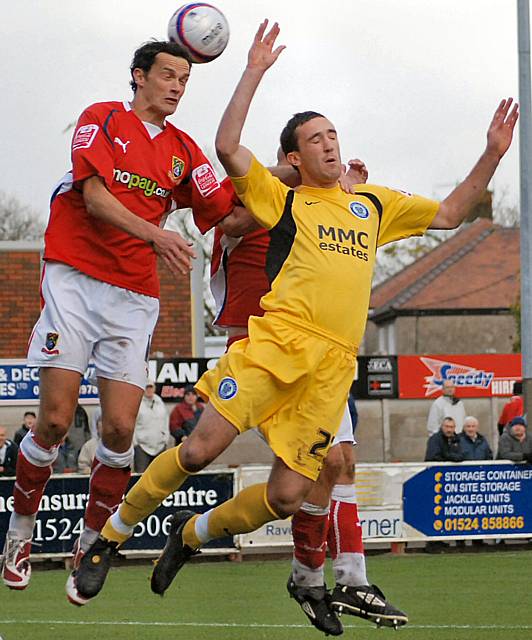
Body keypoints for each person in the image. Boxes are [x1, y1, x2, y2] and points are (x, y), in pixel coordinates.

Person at [74, 20, 518, 613]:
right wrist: (254, 70)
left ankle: (192, 534)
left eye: (333, 134)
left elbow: (453, 213)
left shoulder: (372, 203)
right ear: (294, 157)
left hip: (332, 366)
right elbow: (229, 146)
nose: (330, 144)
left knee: (288, 495)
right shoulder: (282, 199)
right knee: (201, 450)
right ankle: (108, 538)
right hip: (277, 345)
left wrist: (490, 153)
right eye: (315, 139)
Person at [1, 40, 237, 600]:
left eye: (185, 78)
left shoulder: (184, 149)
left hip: (133, 294)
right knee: (55, 421)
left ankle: (89, 543)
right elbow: (94, 196)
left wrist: (298, 183)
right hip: (75, 279)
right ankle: (18, 533)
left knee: (120, 432)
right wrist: (158, 233)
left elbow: (228, 209)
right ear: (139, 77)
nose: (178, 85)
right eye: (168, 75)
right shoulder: (102, 118)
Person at [213, 154, 406, 633]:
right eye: (299, 153)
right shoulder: (258, 204)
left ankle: (340, 578)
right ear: (285, 160)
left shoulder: (324, 213)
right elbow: (230, 212)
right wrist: (297, 178)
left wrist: (349, 192)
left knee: (341, 461)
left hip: (317, 352)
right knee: (306, 475)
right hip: (263, 350)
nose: (318, 158)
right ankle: (307, 575)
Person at [133, 382, 169, 473]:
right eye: (147, 387)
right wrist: (135, 444)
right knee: (140, 477)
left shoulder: (160, 402)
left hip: (160, 447)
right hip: (142, 448)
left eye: (151, 387)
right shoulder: (136, 403)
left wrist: (165, 439)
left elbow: (166, 421)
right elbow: (132, 424)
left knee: (160, 476)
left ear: (154, 388)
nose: (149, 390)